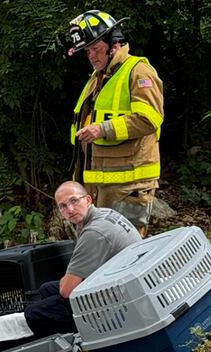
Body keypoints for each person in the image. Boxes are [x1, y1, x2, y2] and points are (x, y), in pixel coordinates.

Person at [67, 10, 163, 236]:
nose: (91, 56)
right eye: (87, 51)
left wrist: (103, 129)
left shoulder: (138, 71)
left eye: (95, 48)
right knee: (101, 251)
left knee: (126, 251)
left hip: (129, 185)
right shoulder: (97, 78)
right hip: (99, 186)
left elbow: (149, 118)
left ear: (113, 44)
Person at [24, 181, 142, 337]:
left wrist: (68, 281)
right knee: (46, 289)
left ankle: (84, 339)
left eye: (74, 201)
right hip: (122, 278)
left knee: (33, 314)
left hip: (121, 297)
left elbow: (66, 291)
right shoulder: (103, 213)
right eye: (63, 206)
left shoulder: (94, 232)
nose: (70, 209)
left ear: (87, 200)